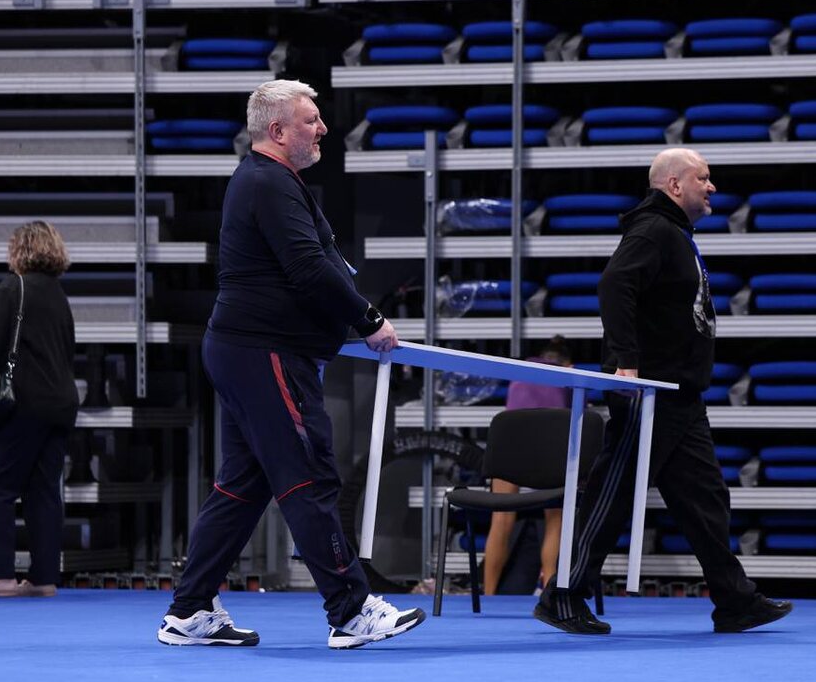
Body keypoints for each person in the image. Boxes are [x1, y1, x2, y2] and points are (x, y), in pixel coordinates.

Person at [158, 80, 425, 649]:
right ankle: (350, 610)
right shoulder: (267, 181)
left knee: (243, 485)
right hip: (265, 352)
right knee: (309, 475)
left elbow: (313, 264)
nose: (323, 128)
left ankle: (189, 610)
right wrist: (368, 318)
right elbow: (309, 267)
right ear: (277, 131)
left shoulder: (269, 180)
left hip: (247, 350)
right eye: (311, 120)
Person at [533, 148, 793, 634]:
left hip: (680, 397)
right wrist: (626, 364)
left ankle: (735, 600)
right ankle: (562, 595)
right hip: (648, 395)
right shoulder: (654, 229)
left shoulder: (674, 233)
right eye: (703, 178)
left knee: (705, 500)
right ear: (674, 185)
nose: (712, 187)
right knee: (612, 496)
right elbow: (614, 286)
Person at [0, 221, 78, 598]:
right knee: (44, 491)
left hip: (23, 403)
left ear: (18, 250)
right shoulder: (58, 295)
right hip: (60, 403)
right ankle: (44, 578)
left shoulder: (13, 288)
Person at [482, 335, 571, 596]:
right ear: (569, 363)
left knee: (501, 520)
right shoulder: (570, 376)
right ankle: (551, 594)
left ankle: (488, 594)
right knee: (555, 520)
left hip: (510, 445)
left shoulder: (520, 373)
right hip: (550, 447)